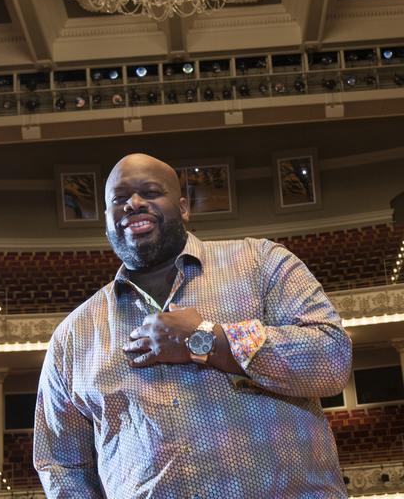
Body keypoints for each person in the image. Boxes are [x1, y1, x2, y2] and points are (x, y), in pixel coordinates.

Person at [34, 153, 352, 498]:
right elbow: (61, 465)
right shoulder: (73, 336)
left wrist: (207, 339)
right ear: (107, 222)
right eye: (119, 199)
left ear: (183, 208)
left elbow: (332, 357)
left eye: (151, 192)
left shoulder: (261, 263)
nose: (134, 204)